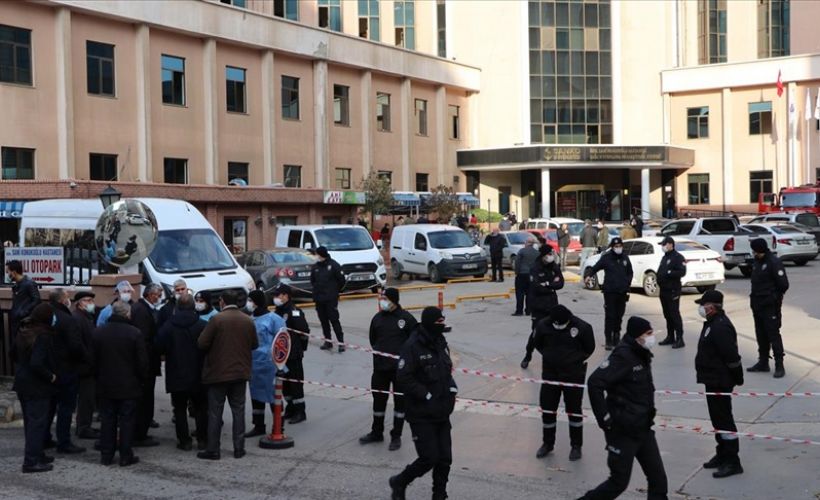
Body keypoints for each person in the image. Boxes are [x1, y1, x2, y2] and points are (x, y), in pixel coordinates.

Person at [579, 316, 668, 500]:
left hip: (642, 428)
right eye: (649, 333)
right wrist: (604, 419)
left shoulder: (641, 353)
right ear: (637, 336)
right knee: (618, 483)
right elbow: (595, 382)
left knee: (658, 479)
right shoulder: (623, 356)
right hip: (622, 431)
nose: (652, 337)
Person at [390, 307, 457, 500]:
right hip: (421, 413)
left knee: (445, 459)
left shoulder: (440, 341)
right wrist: (426, 395)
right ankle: (400, 481)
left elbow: (446, 369)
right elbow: (403, 377)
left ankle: (439, 495)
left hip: (442, 411)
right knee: (429, 458)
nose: (442, 326)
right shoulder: (412, 346)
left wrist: (452, 389)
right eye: (439, 323)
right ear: (429, 323)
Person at [197, 290, 258, 460]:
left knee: (215, 412)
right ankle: (239, 448)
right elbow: (254, 344)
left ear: (222, 302)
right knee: (238, 411)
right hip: (240, 372)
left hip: (218, 373)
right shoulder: (247, 320)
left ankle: (213, 449)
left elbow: (202, 343)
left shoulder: (216, 320)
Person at [528, 305, 594, 461]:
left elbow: (589, 348)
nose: (558, 326)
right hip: (551, 373)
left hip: (574, 375)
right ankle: (548, 443)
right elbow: (537, 343)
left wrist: (573, 360)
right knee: (548, 409)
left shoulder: (582, 327)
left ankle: (576, 446)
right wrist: (551, 356)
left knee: (574, 410)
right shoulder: (543, 325)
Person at [694, 290, 744, 479]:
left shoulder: (720, 327)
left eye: (703, 305)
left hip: (720, 381)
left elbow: (731, 357)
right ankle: (722, 453)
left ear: (712, 307)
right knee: (718, 421)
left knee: (724, 421)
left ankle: (733, 461)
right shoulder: (711, 323)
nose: (700, 308)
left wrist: (737, 378)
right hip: (711, 379)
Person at [360, 288, 418, 451]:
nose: (382, 301)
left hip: (400, 371)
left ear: (393, 300)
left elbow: (415, 341)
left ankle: (396, 436)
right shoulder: (377, 319)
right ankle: (376, 432)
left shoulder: (406, 319)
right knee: (379, 401)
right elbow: (373, 340)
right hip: (380, 369)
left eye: (384, 298)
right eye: (381, 298)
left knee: (400, 404)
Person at [93, 301, 149, 467]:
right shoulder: (134, 333)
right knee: (127, 421)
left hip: (105, 384)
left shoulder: (98, 332)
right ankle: (126, 455)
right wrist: (141, 380)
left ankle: (106, 455)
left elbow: (93, 360)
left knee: (107, 420)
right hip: (128, 385)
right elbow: (142, 362)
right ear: (127, 314)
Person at [156, 293, 208, 451]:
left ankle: (184, 441)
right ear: (193, 307)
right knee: (200, 408)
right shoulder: (202, 325)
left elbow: (158, 345)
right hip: (198, 373)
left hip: (176, 373)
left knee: (179, 409)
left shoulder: (169, 325)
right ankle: (202, 439)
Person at [12, 303, 58, 473]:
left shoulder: (24, 331)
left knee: (32, 423)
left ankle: (37, 454)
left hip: (23, 383)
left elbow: (14, 354)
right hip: (37, 386)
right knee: (37, 424)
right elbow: (37, 363)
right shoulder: (43, 335)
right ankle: (31, 461)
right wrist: (51, 376)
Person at [46, 289, 87, 455]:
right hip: (66, 369)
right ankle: (64, 441)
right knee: (65, 407)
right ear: (63, 301)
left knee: (49, 406)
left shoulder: (46, 316)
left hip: (49, 369)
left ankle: (44, 437)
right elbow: (75, 346)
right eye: (68, 298)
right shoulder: (67, 319)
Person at [244, 290, 287, 438]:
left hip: (270, 365)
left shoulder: (274, 319)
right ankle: (258, 426)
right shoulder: (249, 319)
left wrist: (280, 363)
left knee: (273, 396)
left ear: (256, 302)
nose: (248, 303)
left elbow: (283, 341)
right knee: (256, 396)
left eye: (250, 300)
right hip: (254, 364)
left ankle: (278, 426)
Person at [747, 238, 789, 378]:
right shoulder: (757, 262)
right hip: (757, 304)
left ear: (761, 250)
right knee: (761, 334)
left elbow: (783, 285)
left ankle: (779, 364)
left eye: (755, 251)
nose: (753, 253)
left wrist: (773, 298)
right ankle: (763, 362)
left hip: (770, 306)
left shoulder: (774, 262)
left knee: (773, 334)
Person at [130, 283, 163, 447]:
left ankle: (140, 431)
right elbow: (143, 339)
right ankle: (140, 434)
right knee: (144, 399)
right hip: (146, 363)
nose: (160, 297)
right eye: (158, 294)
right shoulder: (143, 311)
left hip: (146, 362)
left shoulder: (140, 308)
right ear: (151, 295)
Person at [521, 245, 564, 368]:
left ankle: (552, 357)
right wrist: (551, 285)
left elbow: (560, 283)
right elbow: (536, 287)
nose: (551, 257)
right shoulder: (535, 268)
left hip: (552, 305)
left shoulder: (553, 266)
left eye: (552, 254)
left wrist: (547, 284)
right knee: (536, 332)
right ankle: (528, 355)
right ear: (543, 256)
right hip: (538, 306)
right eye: (549, 255)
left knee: (555, 332)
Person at [587, 237, 633, 351]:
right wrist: (588, 276)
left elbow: (630, 272)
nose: (619, 248)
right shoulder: (606, 258)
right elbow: (595, 268)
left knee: (619, 316)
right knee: (610, 316)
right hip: (610, 292)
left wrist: (627, 283)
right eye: (616, 247)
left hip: (622, 292)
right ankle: (608, 340)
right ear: (612, 247)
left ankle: (616, 337)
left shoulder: (625, 258)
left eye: (620, 246)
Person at [273, 284, 309, 424]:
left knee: (295, 383)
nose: (276, 298)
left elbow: (304, 333)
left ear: (286, 296)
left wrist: (300, 350)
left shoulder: (294, 311)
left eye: (279, 295)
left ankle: (300, 411)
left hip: (293, 355)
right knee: (285, 384)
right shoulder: (277, 312)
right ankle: (291, 407)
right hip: (281, 356)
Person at [71, 291, 98, 440]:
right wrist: (88, 359)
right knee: (85, 399)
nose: (90, 303)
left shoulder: (86, 318)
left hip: (87, 365)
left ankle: (85, 425)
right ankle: (83, 427)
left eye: (91, 300)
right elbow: (78, 344)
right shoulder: (78, 319)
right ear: (79, 303)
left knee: (88, 399)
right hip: (84, 366)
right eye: (87, 300)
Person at [310, 246, 346, 352]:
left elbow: (341, 280)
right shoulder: (315, 267)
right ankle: (328, 341)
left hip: (330, 299)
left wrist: (334, 291)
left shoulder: (334, 265)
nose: (315, 256)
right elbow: (313, 281)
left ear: (321, 255)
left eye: (317, 254)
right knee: (323, 321)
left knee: (334, 320)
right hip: (319, 299)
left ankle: (341, 343)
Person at [656, 236, 687, 349]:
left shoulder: (678, 257)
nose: (663, 247)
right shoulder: (665, 257)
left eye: (664, 245)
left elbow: (682, 272)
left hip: (673, 290)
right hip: (663, 291)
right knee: (667, 315)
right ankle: (670, 336)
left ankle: (680, 338)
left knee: (674, 315)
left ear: (670, 245)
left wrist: (669, 273)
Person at [6, 259, 41, 343]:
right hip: (17, 323)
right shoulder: (17, 285)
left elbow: (36, 300)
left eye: (8, 271)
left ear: (13, 272)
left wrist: (23, 313)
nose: (7, 274)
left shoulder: (29, 284)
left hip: (25, 324)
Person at [512, 238, 539, 316]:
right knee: (530, 293)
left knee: (520, 293)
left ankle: (519, 311)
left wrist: (516, 272)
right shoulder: (537, 253)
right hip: (531, 275)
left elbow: (517, 262)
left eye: (525, 242)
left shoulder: (522, 251)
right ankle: (528, 310)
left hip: (522, 274)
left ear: (527, 243)